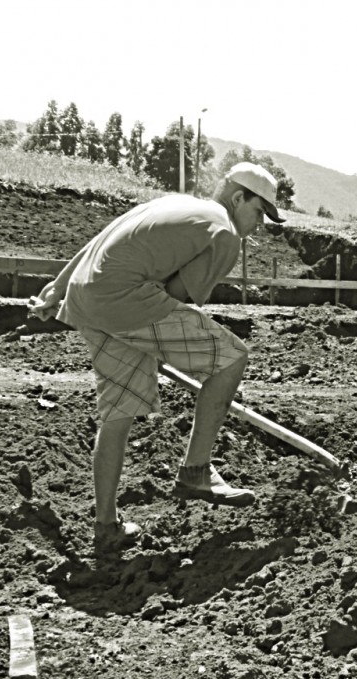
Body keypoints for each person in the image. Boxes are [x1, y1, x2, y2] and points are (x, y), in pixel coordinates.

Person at [27, 162, 285, 555]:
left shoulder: (175, 204)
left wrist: (55, 288)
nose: (258, 224)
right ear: (238, 198)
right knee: (231, 358)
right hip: (127, 300)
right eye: (258, 212)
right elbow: (178, 298)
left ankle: (106, 526)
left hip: (86, 295)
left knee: (118, 414)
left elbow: (99, 239)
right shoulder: (224, 233)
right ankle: (196, 471)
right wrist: (151, 340)